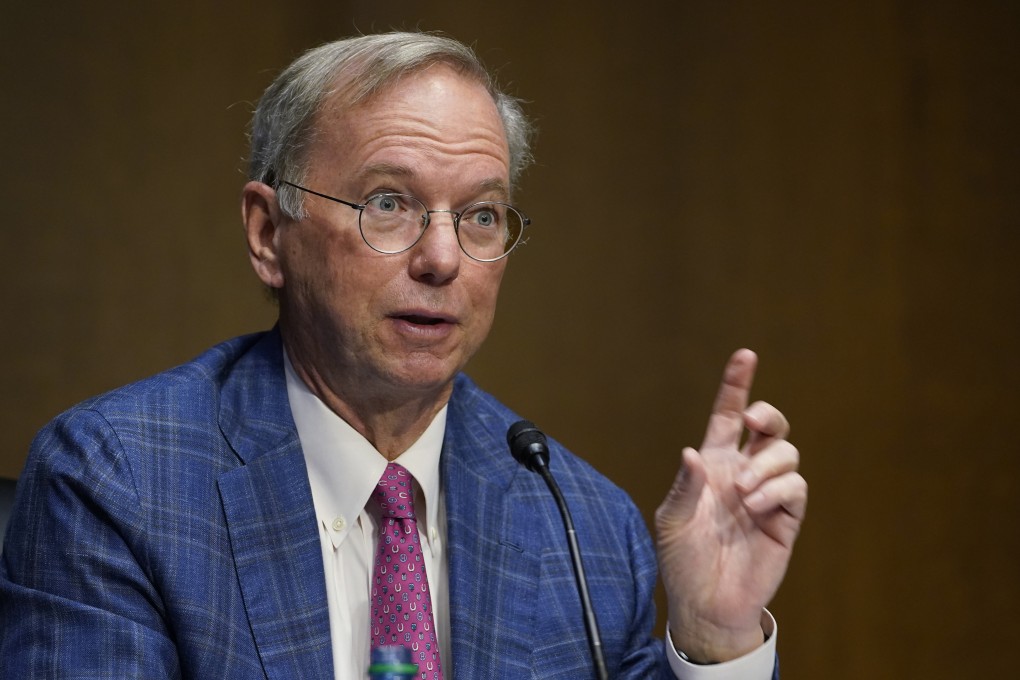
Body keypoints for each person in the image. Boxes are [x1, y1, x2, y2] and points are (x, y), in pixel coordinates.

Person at [0, 32, 806, 679]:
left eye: (482, 216)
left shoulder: (582, 524)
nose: (444, 259)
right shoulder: (118, 482)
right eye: (390, 204)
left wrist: (714, 639)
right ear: (267, 233)